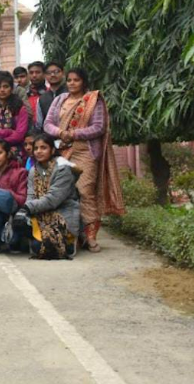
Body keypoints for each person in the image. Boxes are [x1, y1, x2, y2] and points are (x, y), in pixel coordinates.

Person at [43, 67, 125, 252]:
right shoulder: (59, 100)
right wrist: (61, 132)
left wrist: (73, 134)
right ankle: (71, 234)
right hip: (62, 151)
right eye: (69, 80)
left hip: (86, 152)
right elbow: (47, 124)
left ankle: (91, 236)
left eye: (76, 80)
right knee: (63, 191)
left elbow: (99, 127)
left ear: (84, 82)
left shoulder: (93, 100)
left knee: (85, 190)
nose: (72, 83)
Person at [19, 133, 81, 259]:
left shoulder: (63, 169)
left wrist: (27, 208)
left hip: (62, 213)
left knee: (40, 247)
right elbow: (31, 195)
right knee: (17, 229)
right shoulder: (33, 170)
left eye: (43, 148)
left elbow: (52, 199)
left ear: (52, 150)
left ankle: (70, 242)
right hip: (40, 213)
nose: (38, 151)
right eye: (36, 148)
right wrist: (23, 212)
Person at [35, 61, 66, 130]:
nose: (52, 75)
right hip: (48, 135)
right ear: (44, 76)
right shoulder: (42, 99)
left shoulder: (71, 93)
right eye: (49, 73)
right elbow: (39, 124)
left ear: (63, 73)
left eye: (56, 71)